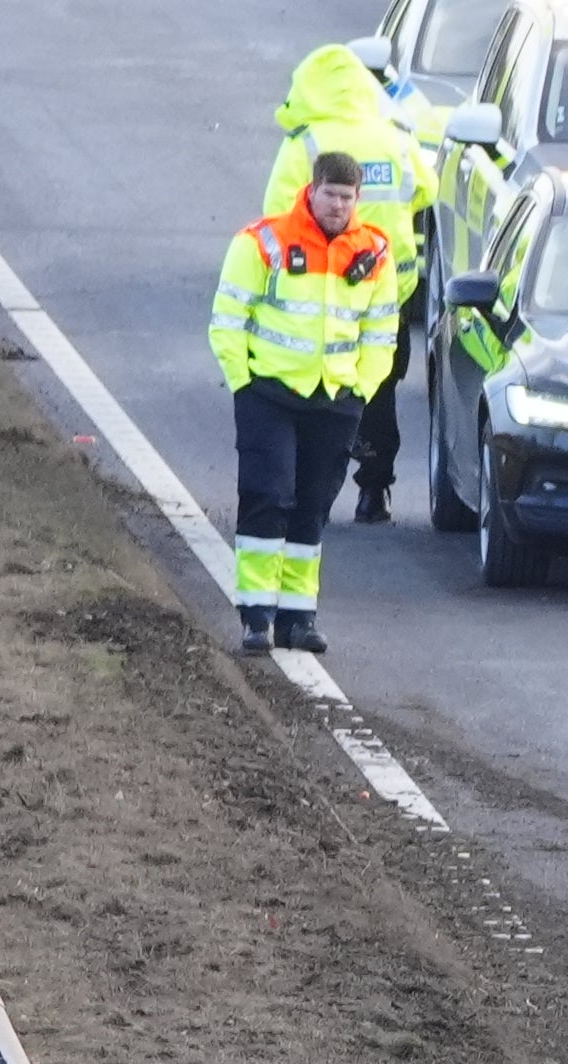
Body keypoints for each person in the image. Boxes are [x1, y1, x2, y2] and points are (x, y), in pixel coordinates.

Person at [209, 153, 400, 655]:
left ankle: (299, 617)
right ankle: (256, 616)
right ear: (311, 190)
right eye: (330, 194)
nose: (338, 205)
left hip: (335, 399)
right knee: (268, 497)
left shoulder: (375, 252)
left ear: (358, 198)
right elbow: (227, 317)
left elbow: (382, 333)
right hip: (268, 394)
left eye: (347, 196)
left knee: (312, 508)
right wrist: (242, 382)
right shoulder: (263, 241)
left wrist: (361, 387)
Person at [263, 41, 438, 526]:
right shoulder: (395, 137)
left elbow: (277, 214)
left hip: (319, 295)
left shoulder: (307, 144)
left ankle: (309, 493)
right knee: (378, 390)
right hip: (387, 294)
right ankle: (374, 490)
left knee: (314, 391)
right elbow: (428, 188)